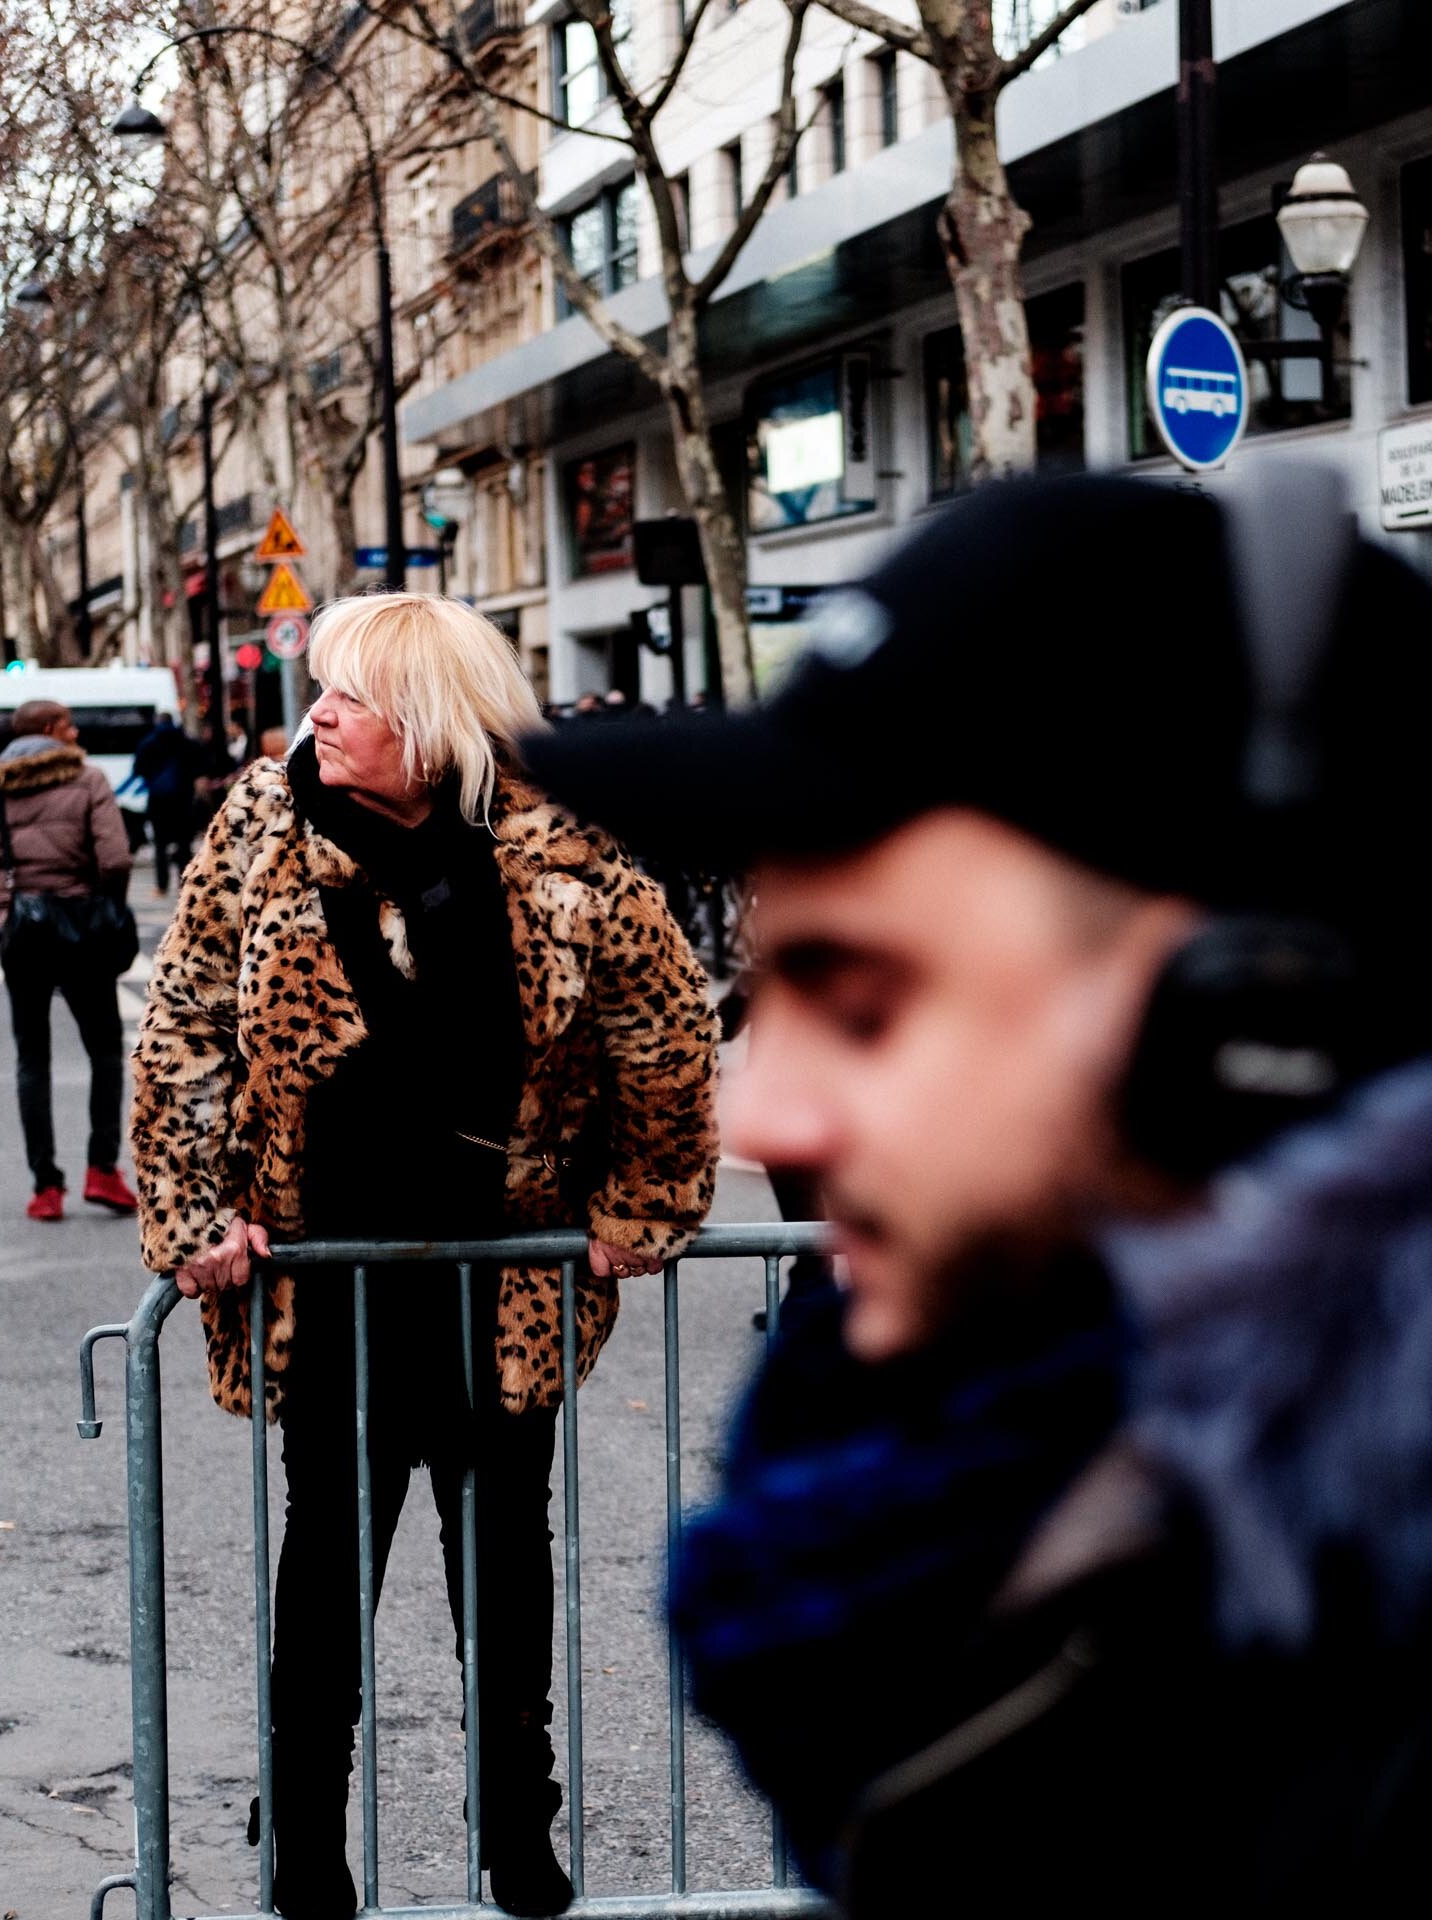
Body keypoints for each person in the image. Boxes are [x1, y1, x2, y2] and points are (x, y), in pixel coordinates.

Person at [525, 470, 1432, 1917]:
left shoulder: (1333, 1768)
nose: (760, 1112)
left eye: (868, 1005)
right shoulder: (1018, 1594)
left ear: (1258, 1036)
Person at [131, 592, 720, 1920]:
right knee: (326, 1574)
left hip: (505, 1273)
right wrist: (189, 1218)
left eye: (351, 695)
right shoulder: (259, 825)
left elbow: (669, 1026)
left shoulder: (564, 839)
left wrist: (646, 1202)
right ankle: (304, 1844)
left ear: (431, 721)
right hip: (325, 1275)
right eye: (322, 691)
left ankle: (519, 1825)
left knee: (507, 1570)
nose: (320, 715)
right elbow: (181, 1026)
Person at [0, 698, 137, 1222]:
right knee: (104, 1050)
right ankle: (102, 1169)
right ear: (54, 730)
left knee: (32, 1059)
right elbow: (117, 859)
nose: (77, 732)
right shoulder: (88, 780)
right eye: (70, 724)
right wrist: (104, 906)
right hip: (82, 930)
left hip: (22, 934)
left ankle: (45, 1186)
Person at [128, 709, 201, 894]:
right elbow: (200, 766)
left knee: (160, 845)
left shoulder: (148, 743)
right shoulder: (186, 741)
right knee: (184, 844)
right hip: (183, 799)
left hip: (158, 800)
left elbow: (138, 769)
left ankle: (161, 885)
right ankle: (184, 882)